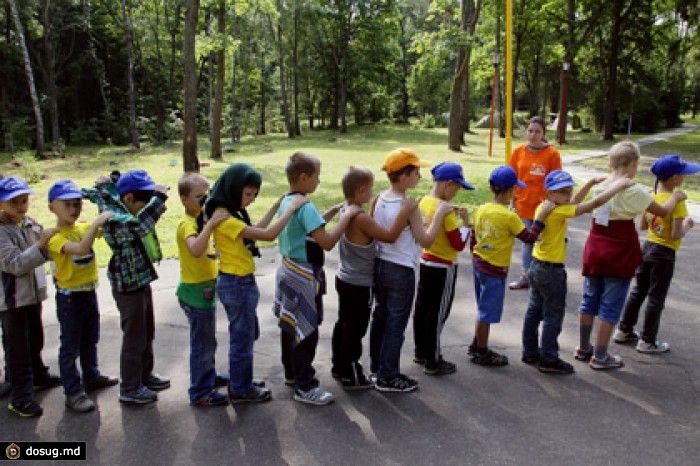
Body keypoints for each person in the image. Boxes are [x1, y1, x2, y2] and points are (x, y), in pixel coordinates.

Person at [575, 142, 686, 370]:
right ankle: (601, 355)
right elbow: (663, 212)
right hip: (619, 251)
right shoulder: (635, 191)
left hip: (596, 247)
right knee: (610, 304)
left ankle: (584, 347)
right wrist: (677, 197)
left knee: (589, 299)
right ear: (634, 163)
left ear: (610, 163)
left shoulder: (601, 186)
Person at [205, 163, 309, 404]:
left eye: (255, 195)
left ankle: (242, 380)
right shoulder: (226, 218)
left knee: (247, 336)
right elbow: (268, 235)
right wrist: (290, 209)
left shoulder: (231, 212)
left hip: (241, 282)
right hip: (236, 284)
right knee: (242, 340)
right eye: (248, 194)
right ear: (233, 189)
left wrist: (275, 206)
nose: (251, 200)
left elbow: (256, 229)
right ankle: (241, 390)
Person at [521, 171, 633, 374]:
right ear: (549, 193)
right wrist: (618, 185)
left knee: (534, 311)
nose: (567, 195)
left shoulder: (544, 207)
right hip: (551, 271)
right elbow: (593, 204)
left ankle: (529, 351)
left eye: (569, 190)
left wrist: (589, 183)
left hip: (537, 266)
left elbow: (573, 202)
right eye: (562, 191)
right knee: (553, 316)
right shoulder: (558, 212)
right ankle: (549, 358)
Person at [273, 152, 361, 405]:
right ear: (303, 177)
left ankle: (292, 372)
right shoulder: (306, 205)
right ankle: (306, 385)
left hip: (288, 271)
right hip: (304, 276)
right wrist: (346, 216)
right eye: (317, 177)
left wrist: (332, 212)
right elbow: (327, 242)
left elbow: (308, 228)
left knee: (290, 326)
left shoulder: (289, 201)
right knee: (306, 330)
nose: (318, 182)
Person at [83, 170, 171, 403]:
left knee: (147, 332)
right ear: (129, 199)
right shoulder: (113, 218)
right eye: (143, 205)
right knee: (134, 337)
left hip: (140, 280)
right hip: (127, 285)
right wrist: (159, 201)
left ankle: (145, 375)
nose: (145, 210)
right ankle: (130, 388)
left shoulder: (123, 203)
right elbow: (140, 226)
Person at [369, 148, 451, 393]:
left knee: (381, 319)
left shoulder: (380, 198)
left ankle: (377, 367)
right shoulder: (409, 205)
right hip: (401, 269)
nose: (420, 177)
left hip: (381, 265)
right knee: (396, 323)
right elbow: (426, 241)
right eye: (417, 172)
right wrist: (438, 215)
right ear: (403, 176)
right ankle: (389, 375)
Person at [331, 166, 417, 390]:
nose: (373, 192)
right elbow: (389, 236)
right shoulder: (360, 218)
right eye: (370, 188)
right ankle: (351, 373)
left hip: (344, 277)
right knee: (356, 329)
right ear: (361, 190)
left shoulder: (347, 210)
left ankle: (339, 366)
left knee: (344, 323)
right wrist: (405, 210)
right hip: (359, 283)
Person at [468, 166, 555, 367]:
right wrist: (540, 219)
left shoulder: (482, 209)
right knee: (487, 313)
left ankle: (476, 343)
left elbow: (474, 235)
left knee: (482, 307)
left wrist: (474, 254)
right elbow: (529, 238)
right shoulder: (509, 217)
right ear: (511, 191)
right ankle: (482, 352)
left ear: (491, 189)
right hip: (494, 270)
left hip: (479, 264)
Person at [46, 180, 119, 413]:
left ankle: (92, 376)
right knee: (70, 347)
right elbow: (81, 249)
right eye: (66, 204)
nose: (73, 209)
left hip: (88, 293)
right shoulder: (55, 237)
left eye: (77, 204)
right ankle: (73, 392)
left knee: (90, 338)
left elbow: (106, 221)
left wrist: (103, 193)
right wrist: (95, 223)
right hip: (70, 299)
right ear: (52, 208)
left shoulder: (84, 226)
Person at [614, 155, 698, 354]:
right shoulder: (676, 201)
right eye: (683, 174)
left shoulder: (650, 196)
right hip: (665, 253)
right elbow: (676, 234)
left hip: (648, 248)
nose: (684, 178)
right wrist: (687, 225)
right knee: (656, 297)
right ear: (675, 178)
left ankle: (623, 330)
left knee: (638, 291)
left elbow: (643, 225)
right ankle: (647, 340)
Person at [0, 176, 61, 417]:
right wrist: (41, 246)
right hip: (11, 301)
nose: (21, 206)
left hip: (32, 296)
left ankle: (38, 375)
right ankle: (21, 397)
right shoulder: (1, 233)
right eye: (14, 202)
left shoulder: (30, 224)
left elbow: (44, 251)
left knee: (35, 339)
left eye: (24, 200)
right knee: (18, 350)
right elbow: (14, 264)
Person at [175, 173, 232, 407]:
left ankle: (208, 376)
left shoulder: (200, 220)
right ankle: (200, 391)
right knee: (202, 343)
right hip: (194, 293)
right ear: (184, 199)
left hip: (206, 291)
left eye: (207, 195)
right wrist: (211, 224)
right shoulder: (186, 225)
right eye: (199, 197)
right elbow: (196, 249)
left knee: (208, 340)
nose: (204, 201)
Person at [413, 162, 473, 376]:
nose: (456, 193)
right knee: (437, 313)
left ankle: (420, 350)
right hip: (443, 265)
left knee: (422, 309)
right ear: (448, 184)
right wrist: (466, 224)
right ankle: (433, 359)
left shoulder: (422, 202)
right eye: (457, 188)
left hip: (426, 262)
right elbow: (458, 243)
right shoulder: (445, 210)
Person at [508, 116, 562, 290]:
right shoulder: (518, 152)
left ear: (543, 134)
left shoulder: (552, 153)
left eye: (537, 131)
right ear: (526, 132)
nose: (533, 135)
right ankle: (526, 275)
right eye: (530, 131)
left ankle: (541, 276)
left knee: (543, 240)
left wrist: (553, 202)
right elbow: (512, 179)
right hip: (523, 204)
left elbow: (556, 181)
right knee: (527, 242)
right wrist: (512, 202)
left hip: (543, 207)